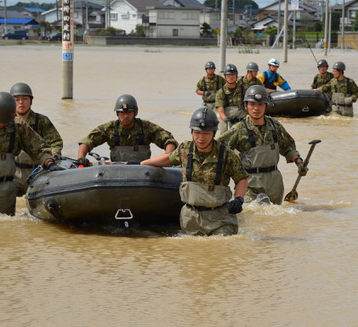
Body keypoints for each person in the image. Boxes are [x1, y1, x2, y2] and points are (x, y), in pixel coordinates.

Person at [141, 107, 248, 236]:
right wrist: (143, 164)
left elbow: (241, 178)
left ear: (213, 133)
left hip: (220, 218)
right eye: (197, 133)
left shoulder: (227, 155)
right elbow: (168, 159)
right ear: (192, 132)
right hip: (191, 218)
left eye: (206, 133)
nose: (201, 138)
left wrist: (239, 199)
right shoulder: (185, 149)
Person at [218, 85, 308, 205]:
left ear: (266, 106)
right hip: (250, 183)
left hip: (274, 183)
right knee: (252, 214)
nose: (256, 108)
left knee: (274, 218)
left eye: (260, 104)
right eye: (252, 104)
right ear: (246, 106)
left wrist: (299, 162)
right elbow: (218, 150)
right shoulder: (239, 129)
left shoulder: (275, 126)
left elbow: (288, 147)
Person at [77, 94, 178, 163]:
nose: (125, 116)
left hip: (143, 172)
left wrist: (167, 156)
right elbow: (87, 141)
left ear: (135, 113)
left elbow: (168, 140)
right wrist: (81, 158)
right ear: (117, 113)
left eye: (129, 113)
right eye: (122, 113)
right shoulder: (110, 129)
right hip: (117, 172)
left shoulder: (146, 128)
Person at [10, 82, 63, 196]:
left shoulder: (42, 121)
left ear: (31, 101)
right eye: (16, 99)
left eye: (24, 99)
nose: (21, 102)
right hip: (13, 172)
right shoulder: (6, 122)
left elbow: (56, 142)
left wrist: (53, 156)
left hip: (37, 171)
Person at [215, 63, 247, 132]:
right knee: (224, 140)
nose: (231, 77)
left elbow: (249, 104)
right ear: (225, 76)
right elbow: (220, 111)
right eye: (228, 75)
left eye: (233, 74)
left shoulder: (243, 89)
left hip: (242, 120)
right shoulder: (221, 92)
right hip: (227, 120)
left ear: (236, 76)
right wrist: (226, 120)